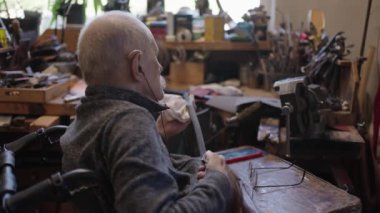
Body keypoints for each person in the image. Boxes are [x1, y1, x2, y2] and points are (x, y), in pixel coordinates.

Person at [60, 11, 240, 212]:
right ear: (137, 67)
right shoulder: (130, 123)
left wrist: (183, 159)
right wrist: (217, 179)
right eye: (154, 56)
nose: (160, 66)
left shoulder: (88, 117)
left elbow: (124, 169)